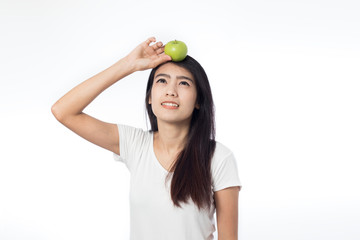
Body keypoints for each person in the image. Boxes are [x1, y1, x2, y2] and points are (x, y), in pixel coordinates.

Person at [51, 37, 242, 240]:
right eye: (162, 81)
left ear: (198, 101)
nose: (171, 91)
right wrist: (129, 64)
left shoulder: (219, 158)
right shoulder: (135, 144)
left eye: (184, 83)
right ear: (150, 97)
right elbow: (63, 111)